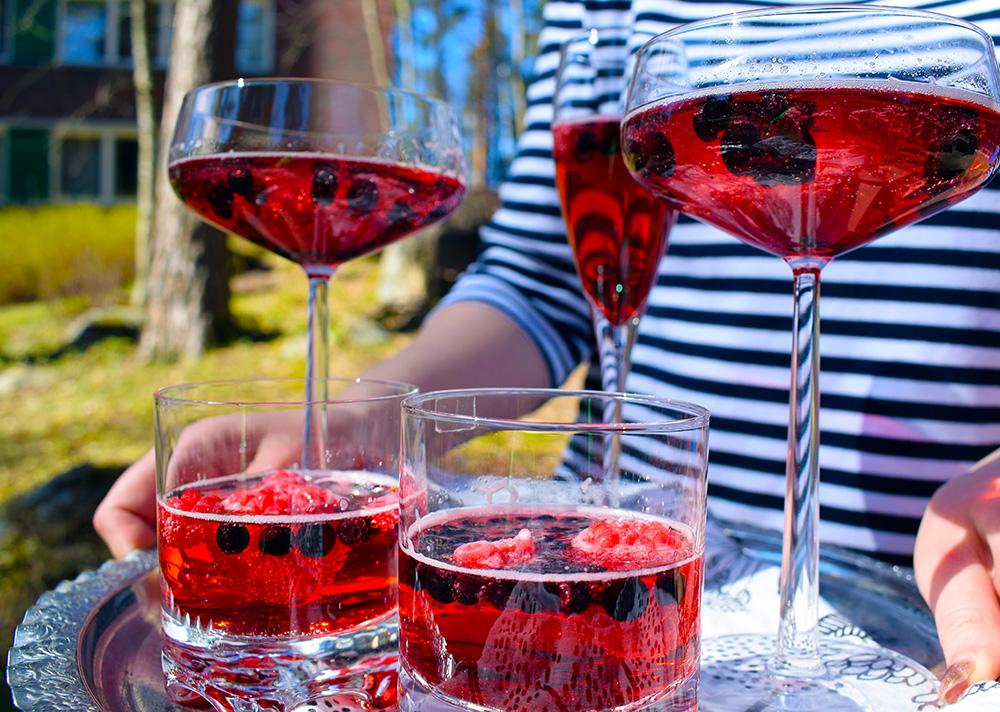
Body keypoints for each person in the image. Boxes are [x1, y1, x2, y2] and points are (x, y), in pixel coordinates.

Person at [95, 0, 1000, 703]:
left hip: (938, 589)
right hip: (601, 551)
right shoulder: (605, 11)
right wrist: (355, 420)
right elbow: (541, 276)